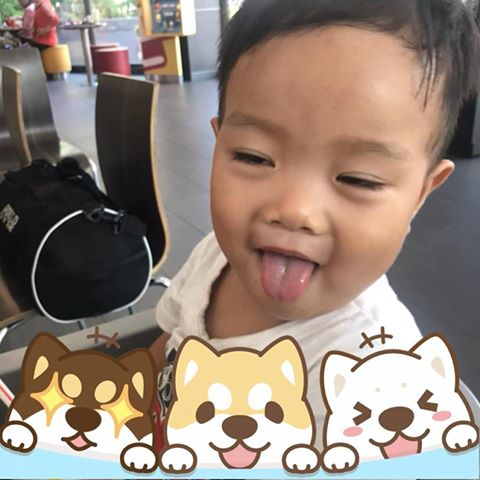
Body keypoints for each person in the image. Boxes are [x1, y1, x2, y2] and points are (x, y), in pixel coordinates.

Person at [149, 0, 480, 452]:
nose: (294, 210)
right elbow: (164, 351)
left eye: (358, 179)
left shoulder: (379, 384)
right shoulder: (213, 257)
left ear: (421, 194)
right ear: (219, 141)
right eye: (253, 156)